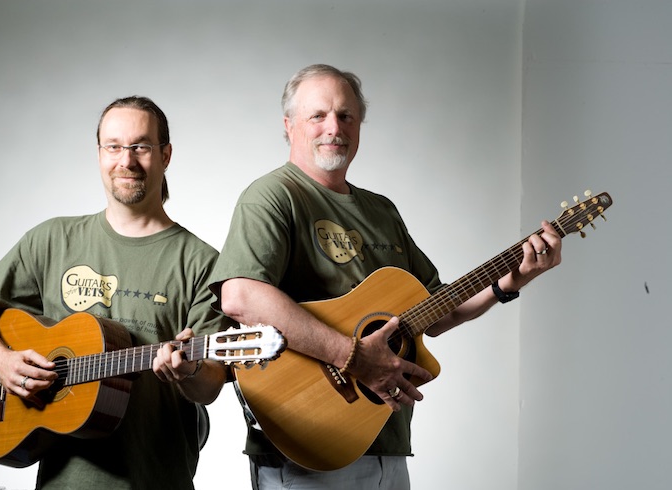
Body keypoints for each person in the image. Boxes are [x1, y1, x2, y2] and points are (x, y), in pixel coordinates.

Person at [209, 64, 562, 489]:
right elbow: (241, 297)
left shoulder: (381, 211)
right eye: (317, 115)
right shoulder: (274, 195)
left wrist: (510, 282)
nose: (334, 127)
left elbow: (436, 308)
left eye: (346, 116)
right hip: (308, 443)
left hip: (383, 435)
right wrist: (354, 357)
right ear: (289, 125)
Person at [0, 96, 231, 489]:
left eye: (141, 146)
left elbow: (211, 384)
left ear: (165, 155)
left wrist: (188, 371)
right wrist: (1, 361)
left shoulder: (202, 262)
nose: (126, 160)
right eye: (114, 146)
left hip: (156, 478)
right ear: (99, 153)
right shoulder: (52, 241)